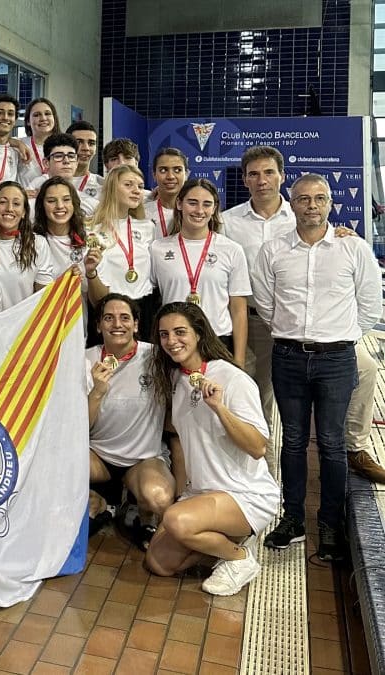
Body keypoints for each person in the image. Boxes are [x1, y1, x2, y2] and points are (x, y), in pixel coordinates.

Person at [223, 146, 385, 484]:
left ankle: (354, 447)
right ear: (244, 180)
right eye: (253, 174)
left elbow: (363, 293)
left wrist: (345, 332)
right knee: (259, 398)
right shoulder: (229, 221)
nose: (262, 180)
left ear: (282, 178)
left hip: (319, 332)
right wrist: (275, 320)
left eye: (269, 173)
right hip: (255, 320)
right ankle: (264, 479)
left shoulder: (304, 213)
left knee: (366, 368)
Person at [251, 173, 382, 561]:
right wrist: (293, 333)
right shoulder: (273, 250)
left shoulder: (353, 249)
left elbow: (370, 304)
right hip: (289, 357)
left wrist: (340, 336)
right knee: (291, 442)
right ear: (291, 204)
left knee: (331, 444)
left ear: (330, 204)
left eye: (320, 198)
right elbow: (265, 300)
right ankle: (292, 519)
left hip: (337, 359)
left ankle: (330, 526)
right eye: (304, 199)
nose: (312, 205)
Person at [145, 302, 279, 597]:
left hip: (244, 494)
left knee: (176, 520)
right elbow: (181, 443)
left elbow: (257, 447)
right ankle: (227, 542)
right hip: (204, 493)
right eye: (164, 335)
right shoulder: (177, 379)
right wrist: (183, 496)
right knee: (158, 562)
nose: (172, 341)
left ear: (198, 334)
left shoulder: (233, 379)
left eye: (180, 332)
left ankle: (240, 558)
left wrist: (219, 408)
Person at [86, 294, 173, 550]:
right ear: (98, 326)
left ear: (136, 325)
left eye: (125, 318)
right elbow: (78, 427)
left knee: (158, 498)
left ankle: (138, 507)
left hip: (142, 459)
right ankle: (105, 503)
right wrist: (98, 391)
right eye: (108, 318)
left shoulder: (156, 357)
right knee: (57, 470)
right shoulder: (84, 360)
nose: (117, 324)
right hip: (98, 456)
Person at [148, 179, 250, 366]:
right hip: (174, 342)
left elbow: (238, 309)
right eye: (192, 203)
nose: (199, 211)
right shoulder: (158, 249)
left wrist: (239, 359)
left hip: (218, 339)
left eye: (207, 204)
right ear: (179, 204)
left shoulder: (231, 249)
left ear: (215, 208)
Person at [83, 165, 157, 334]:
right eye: (128, 184)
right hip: (109, 308)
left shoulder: (147, 227)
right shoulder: (91, 228)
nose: (136, 190)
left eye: (139, 186)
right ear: (111, 188)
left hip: (144, 308)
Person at [0, 181, 55, 307]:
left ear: (24, 212)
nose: (9, 208)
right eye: (3, 202)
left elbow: (43, 295)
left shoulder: (37, 244)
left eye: (16, 204)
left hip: (23, 324)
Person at [29, 133, 99, 215]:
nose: (66, 161)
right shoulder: (30, 205)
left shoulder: (93, 206)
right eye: (58, 156)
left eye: (71, 156)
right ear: (46, 163)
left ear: (76, 162)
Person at [34, 176, 89, 279]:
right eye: (51, 201)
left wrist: (91, 273)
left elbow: (99, 294)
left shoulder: (89, 237)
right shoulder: (32, 241)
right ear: (42, 206)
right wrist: (63, 282)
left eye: (66, 200)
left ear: (74, 203)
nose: (59, 206)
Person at [144, 148, 188, 238]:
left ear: (186, 174)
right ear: (154, 175)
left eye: (177, 170)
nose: (170, 176)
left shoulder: (197, 212)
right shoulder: (142, 213)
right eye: (163, 170)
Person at [20, 97, 61, 183]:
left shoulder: (64, 147)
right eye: (36, 115)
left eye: (47, 114)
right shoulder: (20, 145)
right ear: (28, 121)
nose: (43, 118)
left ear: (54, 118)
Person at [67, 120, 102, 199]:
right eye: (79, 142)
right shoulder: (49, 181)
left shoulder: (102, 185)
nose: (86, 148)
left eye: (91, 143)